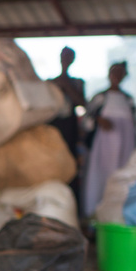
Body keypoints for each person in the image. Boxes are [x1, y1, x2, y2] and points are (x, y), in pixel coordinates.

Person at [82, 61, 136, 219]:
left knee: (122, 179)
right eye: (114, 72)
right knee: (99, 179)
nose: (117, 76)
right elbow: (86, 120)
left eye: (120, 73)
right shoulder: (101, 98)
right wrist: (98, 120)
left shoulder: (128, 100)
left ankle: (117, 217)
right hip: (102, 149)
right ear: (109, 74)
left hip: (125, 149)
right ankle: (93, 216)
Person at [49, 46, 88, 217]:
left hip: (69, 129)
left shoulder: (77, 82)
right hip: (54, 127)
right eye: (63, 56)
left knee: (70, 165)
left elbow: (82, 102)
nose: (65, 59)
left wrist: (67, 86)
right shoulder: (51, 82)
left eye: (68, 57)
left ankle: (72, 208)